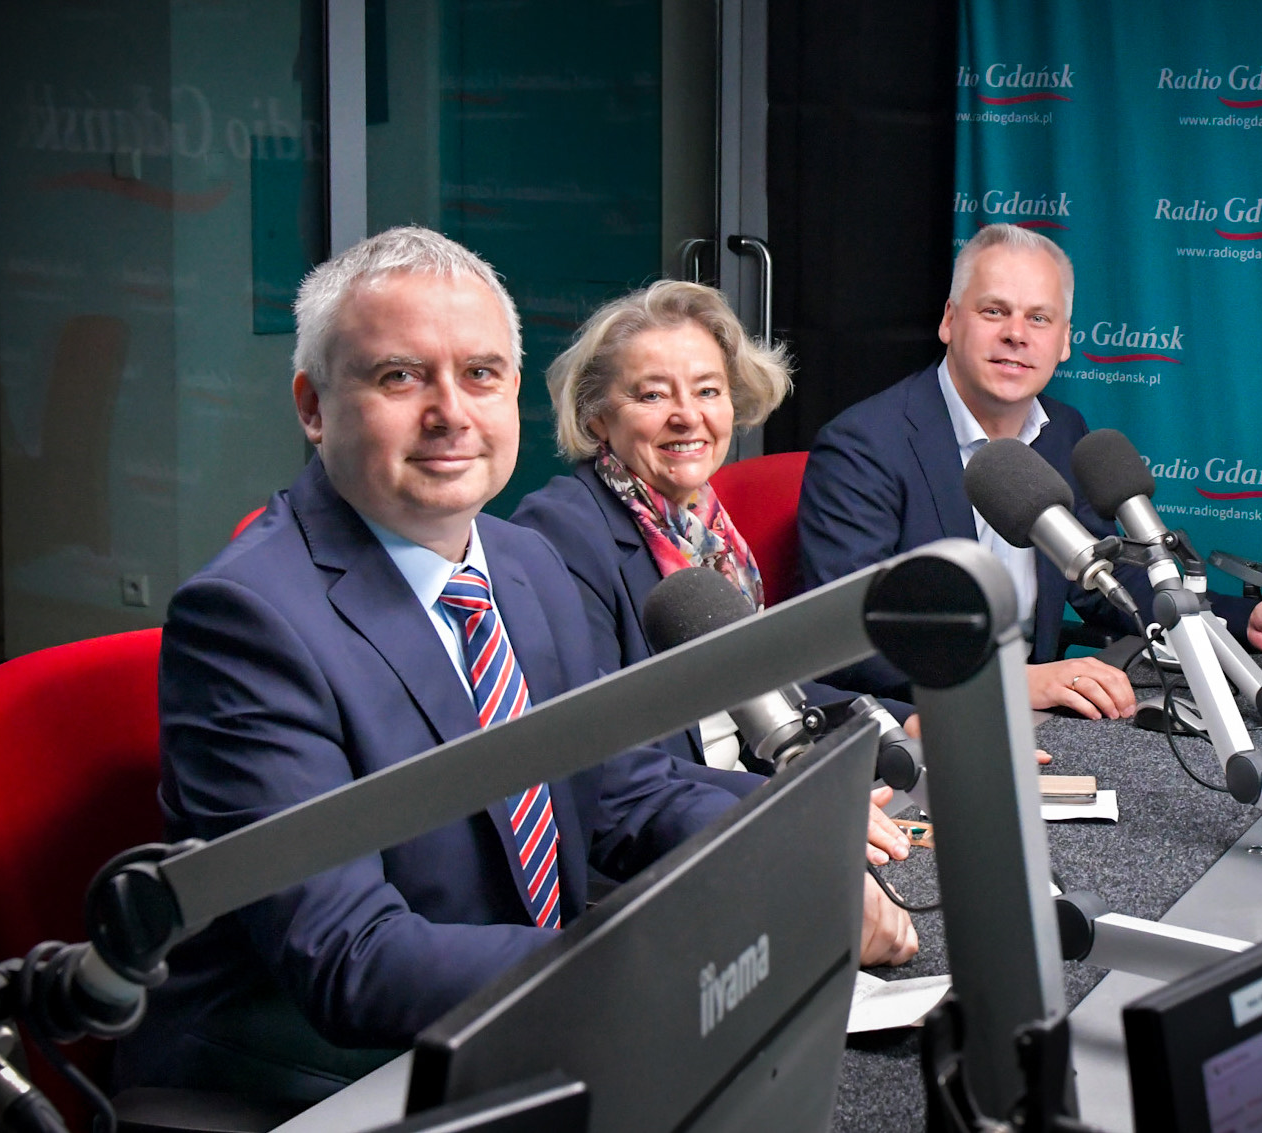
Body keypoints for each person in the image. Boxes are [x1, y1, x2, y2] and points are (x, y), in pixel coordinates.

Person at [114, 228, 912, 1103]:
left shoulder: (521, 562)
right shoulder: (247, 620)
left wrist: (793, 843)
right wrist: (675, 953)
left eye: (481, 374)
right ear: (311, 405)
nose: (451, 411)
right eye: (398, 376)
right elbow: (352, 956)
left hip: (523, 1013)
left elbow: (619, 789)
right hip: (317, 1075)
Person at [798, 224, 1262, 713]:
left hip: (1042, 713)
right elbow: (852, 638)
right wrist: (1013, 681)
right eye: (994, 311)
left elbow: (1099, 579)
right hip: (920, 724)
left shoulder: (1063, 429)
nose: (1017, 333)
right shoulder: (863, 447)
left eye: (1039, 317)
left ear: (1064, 343)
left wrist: (1238, 621)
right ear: (948, 320)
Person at [508, 279, 920, 865]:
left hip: (748, 805)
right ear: (598, 418)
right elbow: (604, 770)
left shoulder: (704, 526)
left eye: (708, 390)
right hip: (675, 849)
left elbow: (773, 693)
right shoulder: (559, 534)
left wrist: (910, 724)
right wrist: (785, 802)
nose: (688, 416)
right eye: (652, 396)